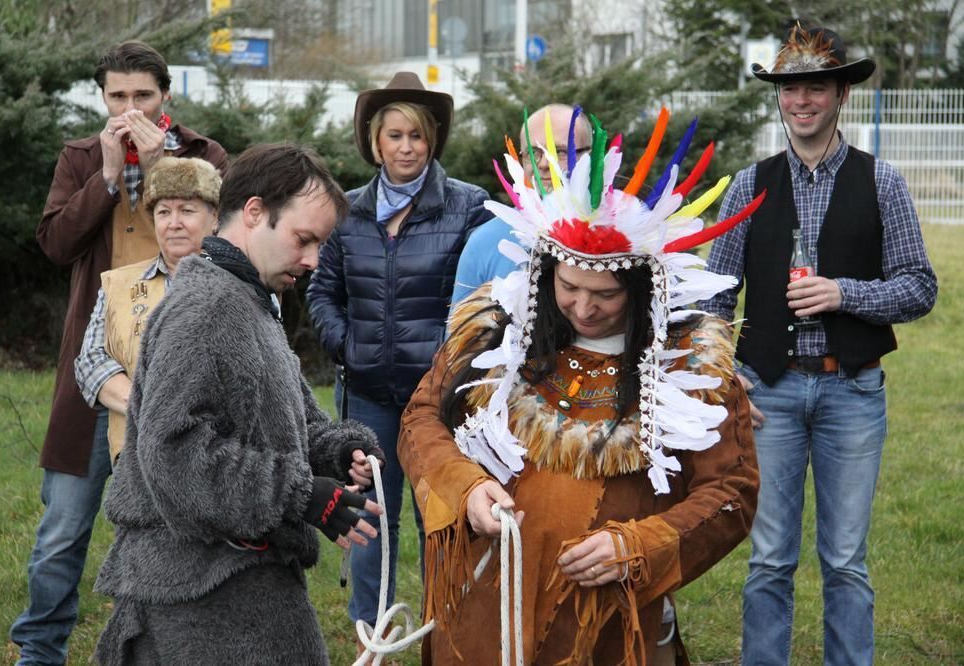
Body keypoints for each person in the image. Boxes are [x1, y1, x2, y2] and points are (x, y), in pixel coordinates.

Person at [398, 110, 761, 664]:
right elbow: (422, 419)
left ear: (641, 293)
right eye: (568, 288)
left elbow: (731, 493)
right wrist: (465, 488)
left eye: (606, 296)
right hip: (480, 612)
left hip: (605, 625)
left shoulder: (690, 366)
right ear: (547, 274)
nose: (584, 307)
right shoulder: (496, 329)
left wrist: (636, 548)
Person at [91, 143, 385, 664]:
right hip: (196, 593)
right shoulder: (204, 309)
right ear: (253, 212)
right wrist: (302, 495)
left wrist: (339, 454)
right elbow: (174, 455)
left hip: (240, 580)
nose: (314, 260)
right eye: (304, 239)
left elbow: (288, 421)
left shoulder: (249, 302)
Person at [701, 24, 938, 666]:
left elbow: (920, 287)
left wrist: (843, 295)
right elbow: (714, 297)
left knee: (846, 562)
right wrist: (726, 373)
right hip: (769, 393)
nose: (802, 100)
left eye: (816, 87)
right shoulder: (750, 184)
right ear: (778, 99)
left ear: (840, 96)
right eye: (790, 89)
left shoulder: (881, 180)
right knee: (770, 558)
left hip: (852, 391)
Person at [13, 41, 227, 665]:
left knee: (178, 523)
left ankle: (173, 646)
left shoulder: (206, 157)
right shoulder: (81, 158)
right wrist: (108, 178)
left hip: (187, 358)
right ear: (102, 97)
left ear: (165, 96)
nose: (129, 108)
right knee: (63, 528)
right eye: (117, 96)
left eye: (143, 96)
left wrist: (165, 166)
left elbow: (230, 243)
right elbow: (55, 244)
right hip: (95, 360)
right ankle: (40, 650)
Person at [306, 71, 492, 631]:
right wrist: (349, 346)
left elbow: (485, 299)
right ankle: (373, 632)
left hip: (442, 398)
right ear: (374, 140)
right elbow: (321, 290)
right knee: (371, 516)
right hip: (367, 396)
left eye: (416, 135)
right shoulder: (347, 211)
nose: (405, 147)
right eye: (394, 135)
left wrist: (449, 360)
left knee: (441, 515)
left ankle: (448, 629)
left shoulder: (468, 207)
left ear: (431, 140)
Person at [74, 156, 221, 464]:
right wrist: (148, 407)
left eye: (188, 211)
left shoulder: (238, 285)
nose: (174, 223)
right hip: (135, 456)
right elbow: (90, 360)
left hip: (216, 457)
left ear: (215, 217)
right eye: (164, 212)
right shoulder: (119, 284)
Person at [451, 103, 592, 304]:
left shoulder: (620, 236)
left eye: (560, 151)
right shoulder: (485, 241)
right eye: (533, 153)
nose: (543, 163)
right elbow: (462, 333)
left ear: (590, 155)